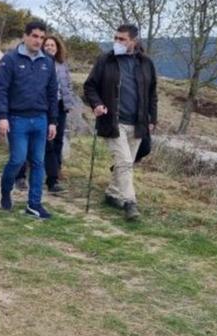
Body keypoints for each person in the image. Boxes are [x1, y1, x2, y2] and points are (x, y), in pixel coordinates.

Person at [83, 24, 158, 221]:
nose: (117, 42)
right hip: (113, 122)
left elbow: (152, 94)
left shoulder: (146, 64)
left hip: (138, 123)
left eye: (122, 39)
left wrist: (152, 118)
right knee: (124, 162)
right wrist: (97, 104)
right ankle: (130, 203)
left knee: (126, 163)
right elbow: (90, 86)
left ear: (134, 41)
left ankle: (112, 194)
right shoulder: (105, 60)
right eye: (116, 38)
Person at [0, 21, 58, 220]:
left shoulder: (48, 62)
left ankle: (34, 204)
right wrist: (2, 117)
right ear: (25, 36)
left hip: (40, 118)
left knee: (38, 163)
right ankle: (5, 192)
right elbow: (1, 90)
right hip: (17, 119)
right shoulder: (10, 60)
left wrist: (53, 121)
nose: (38, 40)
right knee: (17, 159)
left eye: (41, 37)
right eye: (34, 36)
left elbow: (52, 92)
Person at [13, 34, 77, 194]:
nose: (49, 48)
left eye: (52, 46)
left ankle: (54, 174)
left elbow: (68, 85)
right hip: (42, 107)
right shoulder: (39, 63)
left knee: (57, 142)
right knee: (38, 143)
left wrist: (68, 104)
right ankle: (23, 176)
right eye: (46, 45)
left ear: (58, 48)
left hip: (60, 107)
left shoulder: (62, 65)